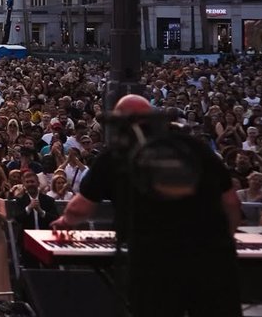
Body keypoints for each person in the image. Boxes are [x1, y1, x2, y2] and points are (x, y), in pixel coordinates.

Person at [51, 94, 243, 317]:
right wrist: (221, 241)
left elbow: (79, 209)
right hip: (214, 260)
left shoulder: (116, 155)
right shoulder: (195, 147)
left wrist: (64, 221)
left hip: (155, 262)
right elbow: (231, 202)